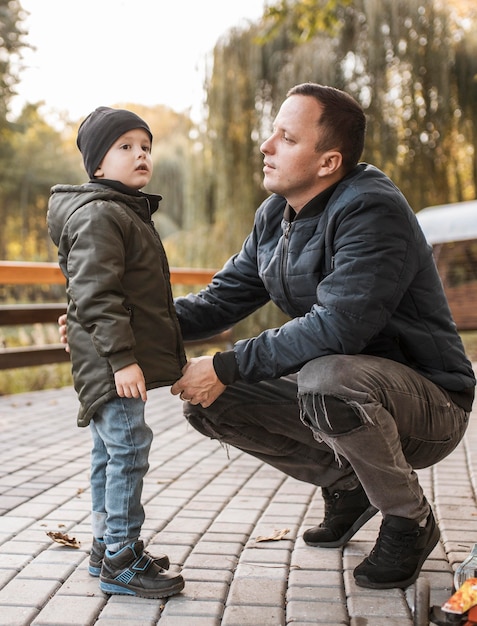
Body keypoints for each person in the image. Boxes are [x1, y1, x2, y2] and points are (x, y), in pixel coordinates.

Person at [58, 84, 475, 591]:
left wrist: (225, 364)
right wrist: (103, 329)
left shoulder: (372, 210)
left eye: (286, 137)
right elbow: (216, 303)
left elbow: (338, 325)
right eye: (272, 132)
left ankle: (409, 518)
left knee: (321, 379)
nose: (266, 145)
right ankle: (350, 485)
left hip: (430, 403)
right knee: (212, 402)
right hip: (350, 390)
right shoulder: (274, 218)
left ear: (328, 162)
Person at [48, 107, 185, 599]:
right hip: (111, 364)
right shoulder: (103, 214)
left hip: (107, 358)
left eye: (145, 146)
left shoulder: (120, 210)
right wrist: (123, 359)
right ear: (98, 166)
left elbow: (119, 294)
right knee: (128, 451)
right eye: (125, 146)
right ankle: (122, 558)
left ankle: (107, 546)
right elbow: (96, 293)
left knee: (110, 451)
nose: (140, 154)